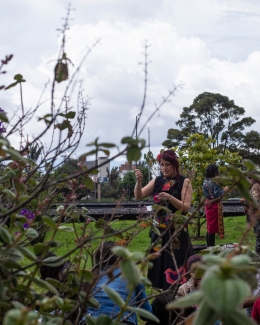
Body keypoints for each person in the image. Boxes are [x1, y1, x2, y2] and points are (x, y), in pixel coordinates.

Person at [134, 149, 193, 290]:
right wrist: (139, 181)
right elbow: (139, 196)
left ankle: (178, 294)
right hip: (158, 232)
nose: (164, 168)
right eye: (162, 165)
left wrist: (170, 198)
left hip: (176, 233)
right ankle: (161, 296)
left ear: (174, 165)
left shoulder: (184, 182)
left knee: (176, 264)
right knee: (159, 265)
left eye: (167, 165)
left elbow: (186, 207)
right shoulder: (157, 181)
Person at [86, 241, 153, 325]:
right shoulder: (132, 275)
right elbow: (146, 313)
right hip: (124, 320)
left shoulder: (89, 277)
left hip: (91, 320)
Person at [202, 164, 228, 247]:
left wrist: (221, 189)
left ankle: (209, 247)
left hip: (208, 204)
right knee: (212, 229)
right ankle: (211, 248)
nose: (218, 173)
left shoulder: (206, 181)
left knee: (209, 227)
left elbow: (212, 192)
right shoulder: (212, 182)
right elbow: (217, 196)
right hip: (213, 206)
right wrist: (224, 191)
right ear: (214, 172)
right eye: (217, 172)